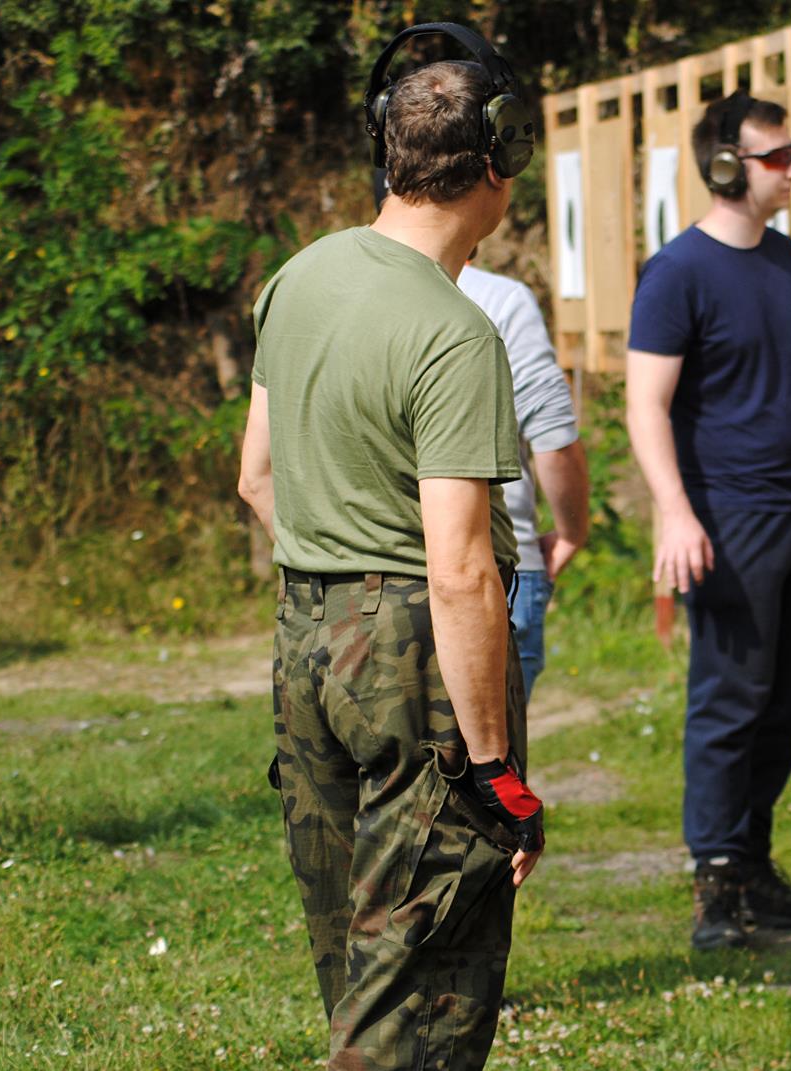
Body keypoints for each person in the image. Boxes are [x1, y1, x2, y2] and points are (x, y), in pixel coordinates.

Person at [238, 34, 545, 1069]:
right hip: (413, 653)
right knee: (420, 994)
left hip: (304, 637)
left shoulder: (298, 278)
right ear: (500, 157)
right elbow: (459, 569)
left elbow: (256, 477)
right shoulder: (454, 334)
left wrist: (335, 586)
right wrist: (497, 771)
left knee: (357, 968)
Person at [625, 91, 791, 950]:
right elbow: (646, 405)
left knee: (788, 698)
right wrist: (675, 511)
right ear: (727, 166)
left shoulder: (785, 260)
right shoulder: (676, 273)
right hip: (730, 518)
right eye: (776, 157)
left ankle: (753, 866)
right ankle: (713, 888)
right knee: (730, 700)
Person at [457, 259, 590, 699]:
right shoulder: (501, 299)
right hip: (500, 563)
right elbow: (552, 438)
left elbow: (259, 476)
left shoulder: (324, 288)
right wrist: (572, 532)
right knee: (495, 762)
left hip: (361, 582)